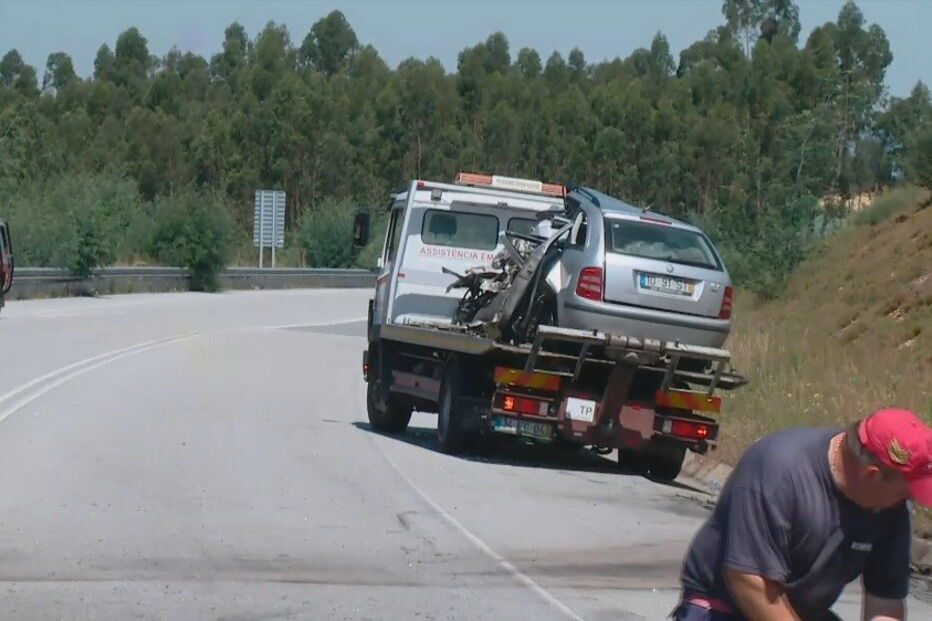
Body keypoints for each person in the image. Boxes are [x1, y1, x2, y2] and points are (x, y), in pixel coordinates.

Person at [675, 408, 932, 620]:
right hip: (728, 606)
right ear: (872, 475)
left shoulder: (891, 508)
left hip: (803, 612)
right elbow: (749, 581)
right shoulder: (779, 470)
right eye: (906, 493)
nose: (909, 502)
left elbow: (885, 603)